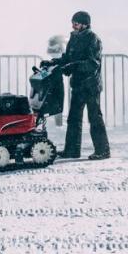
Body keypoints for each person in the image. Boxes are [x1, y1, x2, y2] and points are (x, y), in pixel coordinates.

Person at [41, 11, 110, 160]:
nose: (73, 25)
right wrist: (53, 63)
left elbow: (93, 64)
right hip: (78, 85)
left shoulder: (93, 39)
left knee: (94, 118)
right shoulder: (74, 37)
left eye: (76, 23)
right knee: (73, 118)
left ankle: (103, 150)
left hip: (91, 85)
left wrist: (72, 67)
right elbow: (67, 58)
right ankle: (72, 150)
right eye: (72, 22)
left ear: (85, 24)